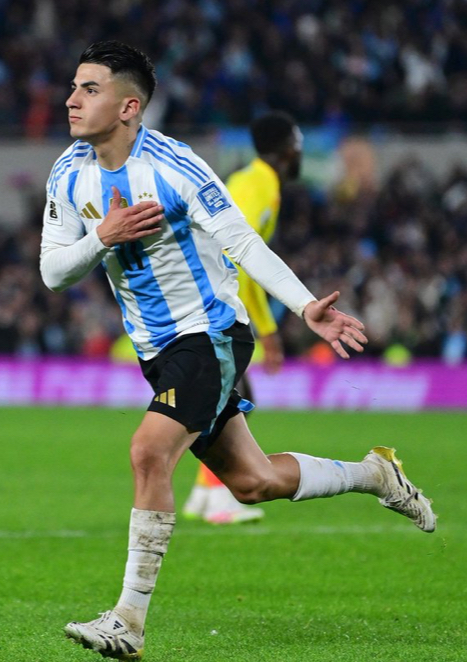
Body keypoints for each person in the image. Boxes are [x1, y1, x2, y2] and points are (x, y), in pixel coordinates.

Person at [40, 41, 436, 661]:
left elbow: (244, 243)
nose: (71, 99)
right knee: (253, 483)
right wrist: (102, 237)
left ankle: (128, 620)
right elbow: (53, 272)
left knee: (148, 451)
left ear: (128, 106)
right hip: (156, 350)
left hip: (211, 333)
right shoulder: (68, 173)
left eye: (89, 89)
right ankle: (375, 473)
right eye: (74, 86)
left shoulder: (175, 167)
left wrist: (305, 306)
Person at [182, 110, 301, 525]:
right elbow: (239, 258)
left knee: (227, 398)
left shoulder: (248, 180)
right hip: (211, 303)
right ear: (288, 149)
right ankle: (220, 499)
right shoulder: (260, 186)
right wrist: (266, 330)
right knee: (229, 402)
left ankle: (203, 493)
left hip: (204, 296)